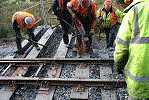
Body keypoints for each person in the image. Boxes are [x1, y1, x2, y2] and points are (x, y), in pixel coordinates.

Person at [114, 0, 149, 99]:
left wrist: (118, 65)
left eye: (122, 4)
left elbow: (121, 47)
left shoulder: (134, 11)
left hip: (141, 79)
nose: (122, 6)